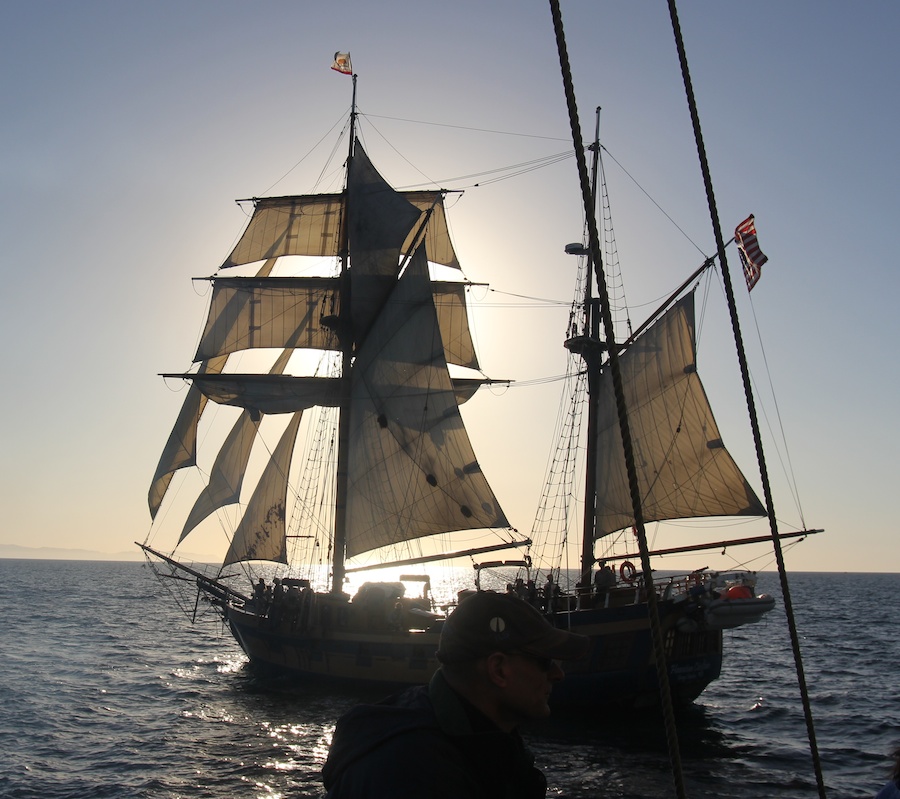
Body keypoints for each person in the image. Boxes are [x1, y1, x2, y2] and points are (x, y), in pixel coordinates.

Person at [321, 591, 590, 798]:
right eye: (544, 661)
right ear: (498, 669)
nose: (557, 674)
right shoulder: (417, 775)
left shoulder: (471, 742)